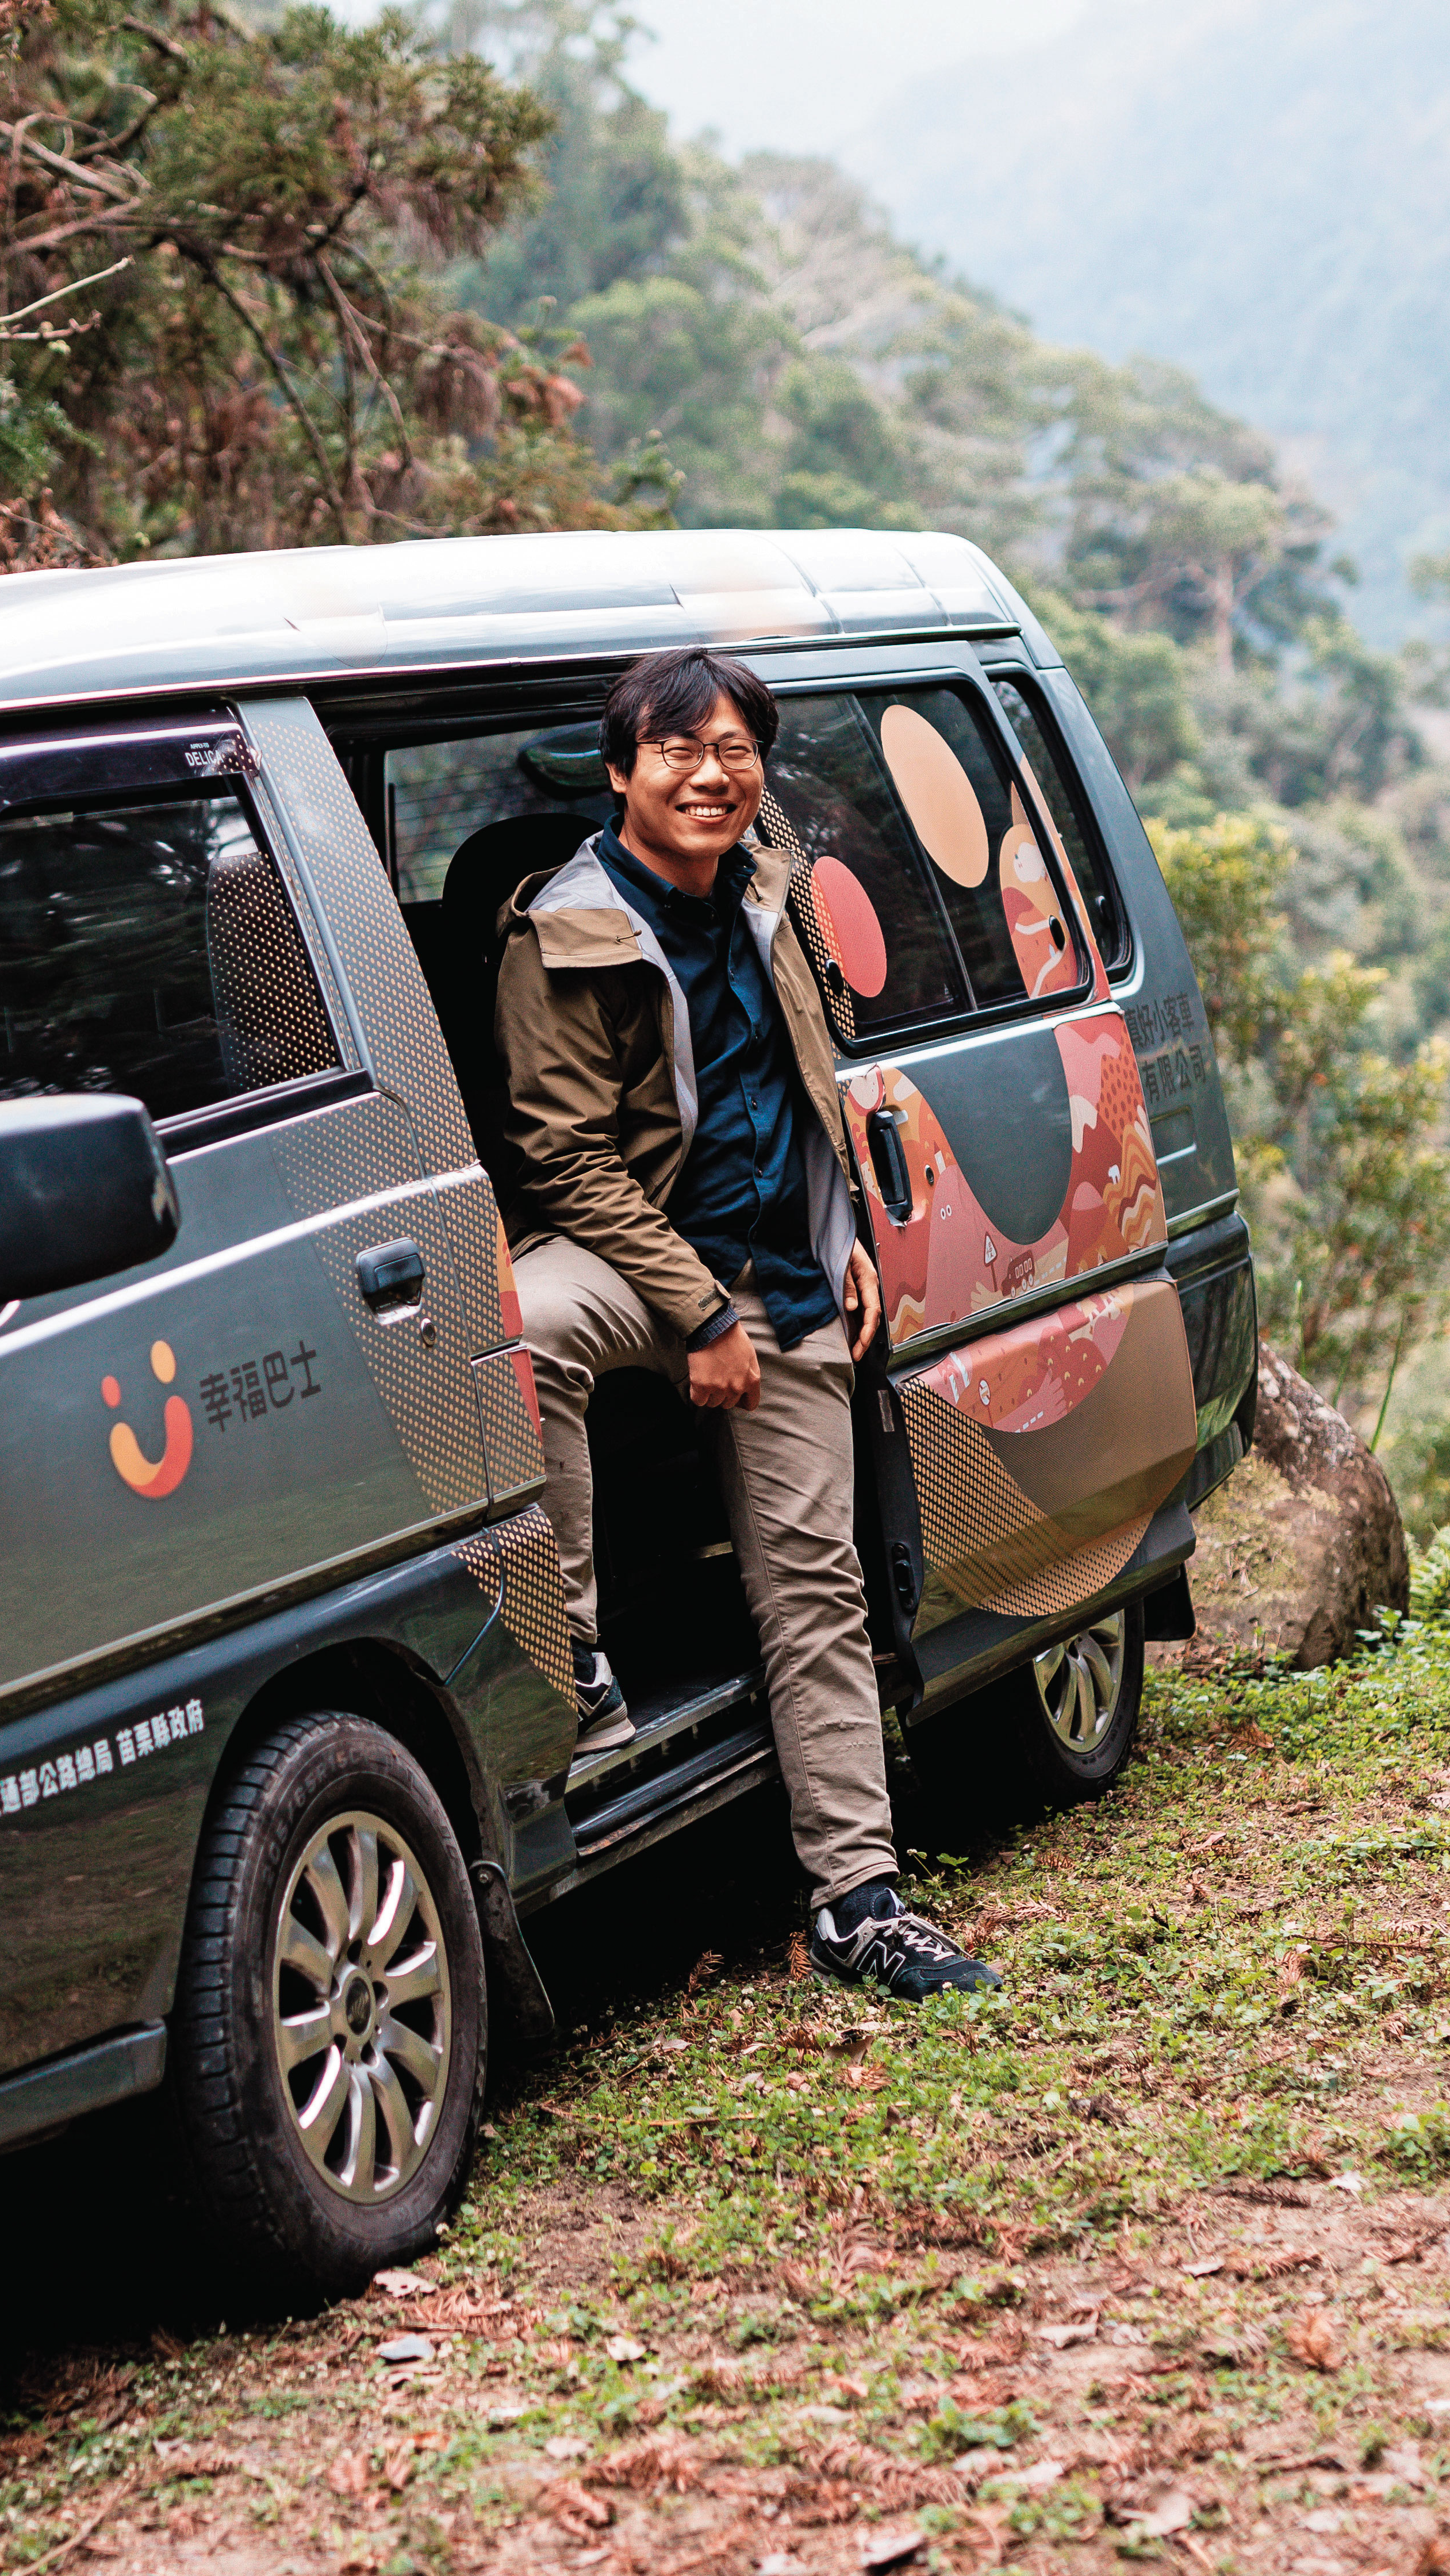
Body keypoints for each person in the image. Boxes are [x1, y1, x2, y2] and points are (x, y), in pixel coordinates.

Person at [490, 646, 999, 2003]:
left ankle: (859, 1897)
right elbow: (564, 1160)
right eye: (679, 750)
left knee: (814, 1587)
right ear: (620, 772)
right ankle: (579, 1653)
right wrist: (701, 1307)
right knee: (525, 1319)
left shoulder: (775, 890)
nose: (713, 775)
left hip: (785, 1271)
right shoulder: (563, 930)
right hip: (642, 1257)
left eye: (735, 750)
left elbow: (827, 1069)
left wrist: (857, 1242)